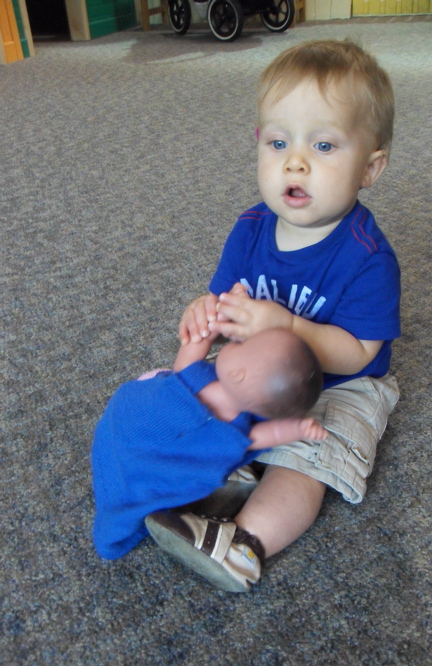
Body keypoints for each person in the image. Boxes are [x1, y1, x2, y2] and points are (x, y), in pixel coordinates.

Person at [145, 39, 402, 593]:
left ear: (370, 167)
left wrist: (286, 326)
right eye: (279, 142)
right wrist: (205, 314)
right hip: (260, 372)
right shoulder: (250, 228)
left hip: (342, 385)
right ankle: (219, 471)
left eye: (324, 145)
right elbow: (224, 305)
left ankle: (245, 542)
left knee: (307, 453)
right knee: (203, 396)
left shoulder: (368, 257)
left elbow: (360, 352)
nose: (295, 162)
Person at [91, 323, 326, 560]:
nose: (234, 341)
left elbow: (189, 353)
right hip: (149, 423)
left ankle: (119, 511)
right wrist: (298, 428)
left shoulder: (199, 378)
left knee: (145, 468)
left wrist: (204, 333)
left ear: (237, 374)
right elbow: (272, 434)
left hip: (137, 434)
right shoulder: (239, 430)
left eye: (240, 344)